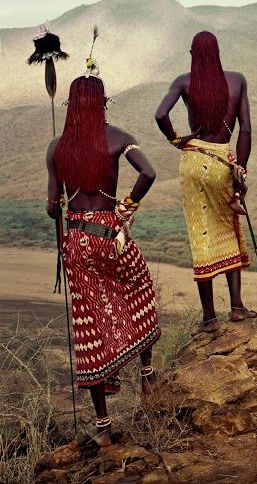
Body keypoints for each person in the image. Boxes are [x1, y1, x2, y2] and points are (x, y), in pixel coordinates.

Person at [46, 66, 160, 446]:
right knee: (139, 288)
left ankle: (102, 428)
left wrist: (61, 201)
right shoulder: (119, 138)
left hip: (76, 241)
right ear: (102, 103)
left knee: (89, 327)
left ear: (70, 105)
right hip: (111, 235)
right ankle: (147, 373)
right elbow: (149, 172)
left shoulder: (57, 147)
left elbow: (51, 208)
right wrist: (125, 210)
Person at [155, 31, 256, 334]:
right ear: (218, 52)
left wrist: (176, 140)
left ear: (192, 54)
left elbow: (160, 114)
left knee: (202, 235)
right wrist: (241, 168)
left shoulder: (184, 82)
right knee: (230, 226)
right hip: (223, 161)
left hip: (193, 160)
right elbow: (246, 130)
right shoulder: (237, 80)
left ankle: (210, 318)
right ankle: (237, 307)